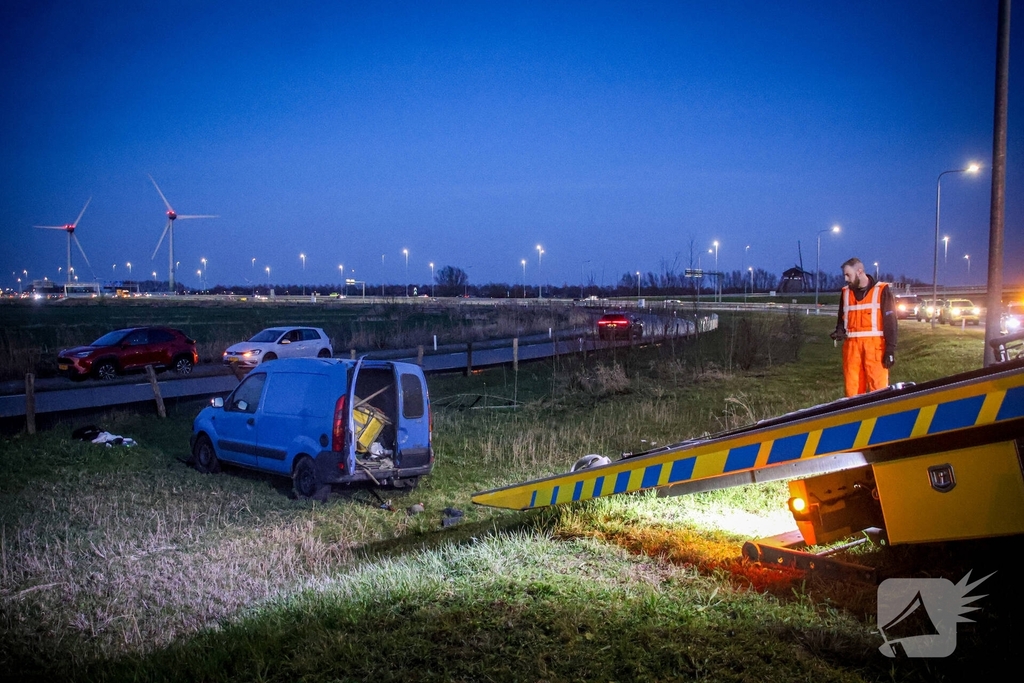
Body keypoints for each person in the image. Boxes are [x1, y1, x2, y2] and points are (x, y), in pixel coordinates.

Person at [830, 257, 897, 397]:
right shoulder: (846, 292)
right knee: (852, 392)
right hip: (852, 350)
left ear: (859, 271)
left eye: (848, 274)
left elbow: (890, 322)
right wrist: (839, 331)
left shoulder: (882, 290)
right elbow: (841, 318)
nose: (846, 279)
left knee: (878, 390)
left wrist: (890, 350)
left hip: (875, 349)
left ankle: (879, 417)